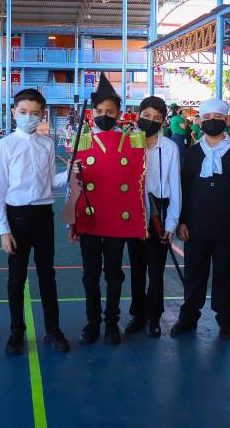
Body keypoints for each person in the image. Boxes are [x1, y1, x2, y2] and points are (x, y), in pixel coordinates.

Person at [0, 88, 72, 355]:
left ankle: (53, 329)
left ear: (42, 115)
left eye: (35, 113)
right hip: (17, 217)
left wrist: (70, 173)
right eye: (23, 112)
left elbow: (51, 182)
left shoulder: (47, 144)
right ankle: (17, 331)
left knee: (47, 275)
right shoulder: (5, 145)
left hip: (43, 216)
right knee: (16, 279)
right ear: (14, 112)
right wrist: (4, 230)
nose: (29, 117)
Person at [71, 74, 147, 346]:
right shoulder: (82, 140)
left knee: (114, 274)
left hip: (117, 220)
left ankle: (112, 322)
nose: (105, 116)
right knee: (90, 275)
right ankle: (92, 322)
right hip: (89, 218)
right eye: (100, 111)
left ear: (119, 114)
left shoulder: (131, 141)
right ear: (92, 113)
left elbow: (138, 183)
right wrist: (71, 220)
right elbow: (73, 186)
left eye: (111, 112)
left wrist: (140, 221)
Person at [170, 98, 230, 340]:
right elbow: (183, 189)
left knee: (227, 273)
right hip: (196, 225)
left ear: (227, 120)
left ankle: (226, 319)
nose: (212, 121)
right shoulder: (192, 153)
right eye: (207, 118)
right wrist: (182, 221)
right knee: (194, 273)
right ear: (199, 122)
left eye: (217, 117)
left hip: (228, 224)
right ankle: (189, 316)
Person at [124, 96, 181, 338]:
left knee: (156, 270)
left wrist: (171, 222)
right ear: (138, 116)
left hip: (159, 210)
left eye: (157, 118)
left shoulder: (169, 148)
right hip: (134, 211)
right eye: (146, 116)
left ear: (164, 122)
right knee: (137, 268)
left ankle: (154, 316)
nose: (151, 121)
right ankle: (138, 314)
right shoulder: (127, 143)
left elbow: (175, 187)